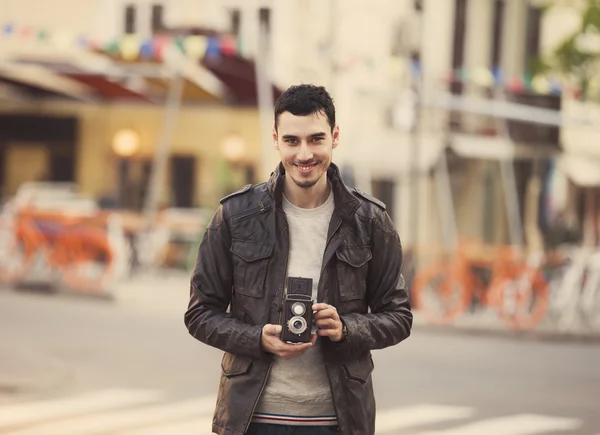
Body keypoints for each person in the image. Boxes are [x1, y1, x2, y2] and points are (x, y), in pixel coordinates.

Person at [185, 84, 412, 435]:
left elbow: (398, 316)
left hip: (338, 421)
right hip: (253, 419)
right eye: (292, 140)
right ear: (276, 139)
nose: (304, 154)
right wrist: (257, 338)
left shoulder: (369, 221)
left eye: (316, 139)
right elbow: (200, 314)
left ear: (335, 137)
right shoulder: (235, 215)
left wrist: (347, 328)